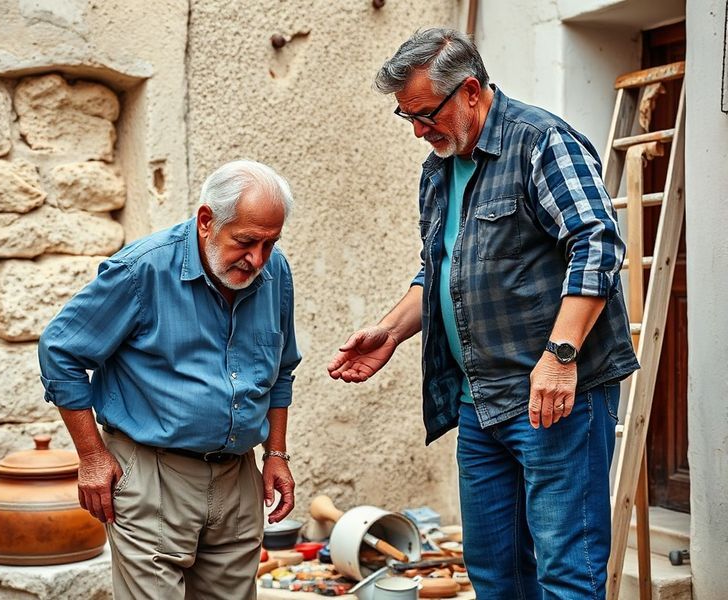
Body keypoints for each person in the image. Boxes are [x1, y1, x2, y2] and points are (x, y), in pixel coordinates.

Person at [328, 29, 639, 599]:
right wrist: (390, 332)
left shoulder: (540, 141)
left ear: (470, 91)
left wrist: (560, 356)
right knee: (495, 572)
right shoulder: (439, 170)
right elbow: (441, 269)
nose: (420, 131)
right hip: (480, 404)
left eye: (425, 114)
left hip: (554, 398)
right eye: (408, 118)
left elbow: (596, 245)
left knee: (568, 571)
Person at [39, 159, 301, 599]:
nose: (257, 259)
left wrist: (276, 453)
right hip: (153, 477)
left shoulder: (276, 275)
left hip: (239, 478)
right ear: (206, 221)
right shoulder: (141, 271)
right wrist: (92, 456)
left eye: (270, 243)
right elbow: (60, 352)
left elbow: (281, 371)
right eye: (246, 241)